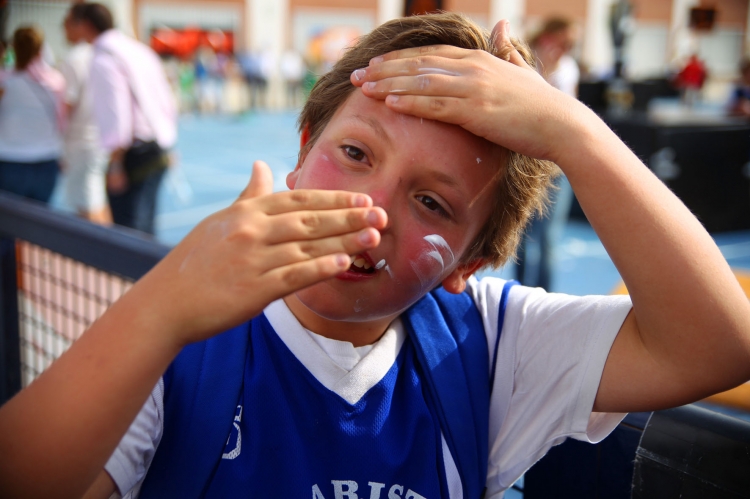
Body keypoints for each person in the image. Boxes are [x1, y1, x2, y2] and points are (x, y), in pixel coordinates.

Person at [2, 13, 750, 499]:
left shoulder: (492, 348)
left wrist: (572, 132)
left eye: (432, 203)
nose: (372, 213)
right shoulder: (175, 343)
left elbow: (718, 341)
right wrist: (157, 309)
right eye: (355, 153)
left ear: (468, 264)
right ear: (302, 153)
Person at [70, 2, 176, 235]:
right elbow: (165, 99)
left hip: (132, 153)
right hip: (156, 144)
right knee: (145, 229)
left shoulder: (104, 58)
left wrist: (116, 164)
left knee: (129, 232)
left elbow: (116, 114)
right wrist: (168, 140)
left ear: (85, 25)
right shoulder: (138, 50)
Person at [515, 17, 579, 290]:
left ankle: (545, 297)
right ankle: (520, 294)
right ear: (547, 37)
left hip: (555, 163)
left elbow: (565, 112)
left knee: (548, 237)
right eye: (563, 42)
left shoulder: (567, 68)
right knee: (519, 233)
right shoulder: (525, 61)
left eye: (570, 45)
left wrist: (550, 72)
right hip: (525, 159)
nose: (565, 49)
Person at [0, 26, 65, 203]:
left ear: (14, 47)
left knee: (8, 219)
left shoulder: (5, 81)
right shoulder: (55, 82)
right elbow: (62, 120)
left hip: (10, 161)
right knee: (40, 218)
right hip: (47, 161)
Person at [60, 4, 111, 224]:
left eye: (67, 23)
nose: (63, 28)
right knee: (96, 201)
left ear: (81, 25)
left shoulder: (75, 58)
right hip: (99, 139)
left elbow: (67, 106)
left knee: (88, 207)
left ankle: (102, 247)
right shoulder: (101, 53)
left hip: (81, 142)